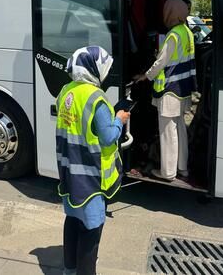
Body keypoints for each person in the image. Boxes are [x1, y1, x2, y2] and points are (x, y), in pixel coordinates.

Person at [56, 46, 130, 275]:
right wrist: (119, 119)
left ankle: (69, 270)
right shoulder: (96, 97)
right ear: (94, 70)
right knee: (91, 231)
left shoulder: (66, 91)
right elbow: (108, 137)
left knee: (73, 222)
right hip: (91, 178)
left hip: (70, 173)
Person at [134, 0, 197, 181]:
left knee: (168, 131)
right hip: (183, 88)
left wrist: (145, 76)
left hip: (170, 90)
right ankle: (182, 168)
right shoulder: (187, 32)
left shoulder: (173, 35)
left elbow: (160, 62)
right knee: (180, 129)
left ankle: (168, 172)